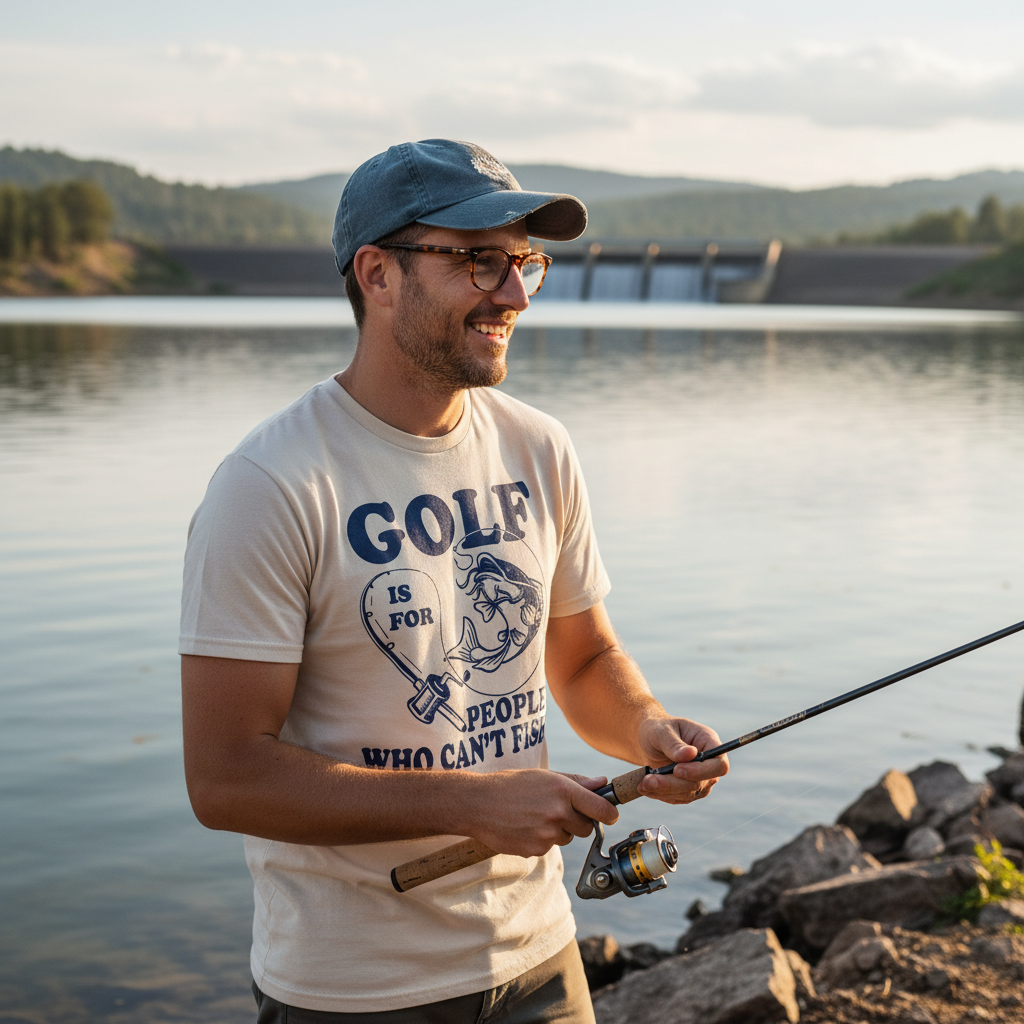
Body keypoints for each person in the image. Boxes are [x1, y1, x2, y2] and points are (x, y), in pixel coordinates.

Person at [179, 139, 728, 1024]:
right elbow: (226, 778)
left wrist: (648, 729)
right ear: (378, 274)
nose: (513, 294)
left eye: (524, 263)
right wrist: (472, 806)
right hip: (353, 992)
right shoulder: (271, 485)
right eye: (479, 262)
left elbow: (583, 661)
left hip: (543, 957)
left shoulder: (539, 447)